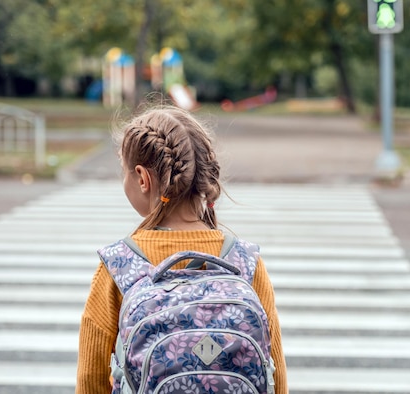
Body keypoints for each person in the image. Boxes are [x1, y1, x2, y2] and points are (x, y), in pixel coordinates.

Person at [76, 105, 288, 393]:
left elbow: (91, 381)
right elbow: (275, 377)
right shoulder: (245, 263)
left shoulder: (118, 267)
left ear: (142, 178)